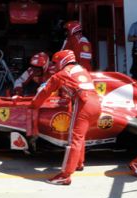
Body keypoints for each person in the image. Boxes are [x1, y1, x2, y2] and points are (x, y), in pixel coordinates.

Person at [30, 49, 101, 185]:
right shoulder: (82, 69)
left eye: (56, 62)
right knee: (80, 137)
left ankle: (65, 175)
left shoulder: (62, 74)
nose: (55, 65)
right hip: (96, 104)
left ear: (63, 60)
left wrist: (33, 105)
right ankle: (79, 163)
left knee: (74, 138)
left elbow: (44, 92)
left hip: (83, 104)